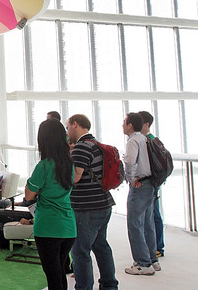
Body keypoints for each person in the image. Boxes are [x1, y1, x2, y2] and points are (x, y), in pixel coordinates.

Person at [66, 114, 118, 290]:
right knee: (101, 246)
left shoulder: (81, 147)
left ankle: (83, 287)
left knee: (80, 251)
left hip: (86, 207)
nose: (67, 132)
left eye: (68, 127)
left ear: (75, 124)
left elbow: (75, 177)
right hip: (104, 203)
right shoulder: (96, 145)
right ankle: (109, 285)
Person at [24, 119, 77, 290]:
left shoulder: (44, 166)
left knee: (53, 275)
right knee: (59, 271)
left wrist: (37, 189)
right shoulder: (70, 164)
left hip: (47, 226)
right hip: (68, 226)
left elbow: (29, 194)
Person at [122, 112, 159, 275]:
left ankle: (142, 263)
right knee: (147, 223)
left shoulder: (133, 140)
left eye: (124, 122)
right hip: (151, 183)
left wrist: (130, 178)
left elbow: (130, 161)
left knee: (135, 224)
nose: (122, 125)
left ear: (130, 125)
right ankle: (152, 259)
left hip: (140, 184)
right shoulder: (145, 139)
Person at [139, 110, 165, 258]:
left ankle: (157, 247)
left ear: (146, 124)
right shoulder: (147, 140)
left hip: (150, 182)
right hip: (151, 182)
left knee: (153, 214)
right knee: (150, 214)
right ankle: (154, 246)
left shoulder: (149, 141)